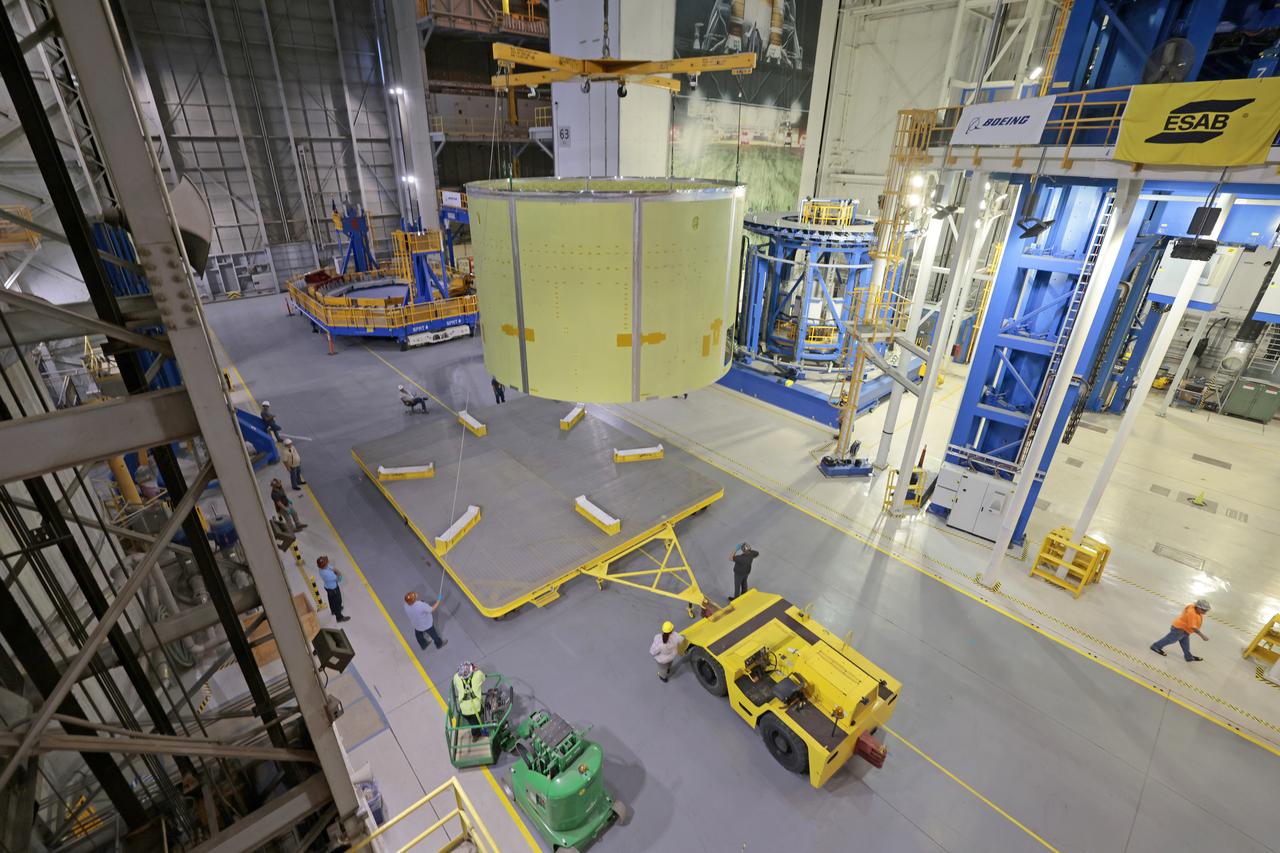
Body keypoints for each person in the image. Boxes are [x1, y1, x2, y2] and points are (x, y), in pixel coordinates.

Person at [452, 661, 487, 736]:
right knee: (475, 724)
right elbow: (484, 678)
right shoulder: (478, 674)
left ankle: (476, 725)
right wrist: (477, 670)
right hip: (476, 708)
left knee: (472, 721)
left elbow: (455, 680)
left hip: (464, 710)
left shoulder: (456, 677)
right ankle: (475, 735)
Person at [317, 556, 349, 623]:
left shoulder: (321, 569)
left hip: (327, 587)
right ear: (324, 565)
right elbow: (339, 578)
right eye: (326, 562)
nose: (328, 562)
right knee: (338, 602)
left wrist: (335, 570)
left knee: (331, 600)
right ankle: (339, 617)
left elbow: (331, 567)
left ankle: (333, 611)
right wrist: (338, 573)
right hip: (334, 589)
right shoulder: (328, 574)